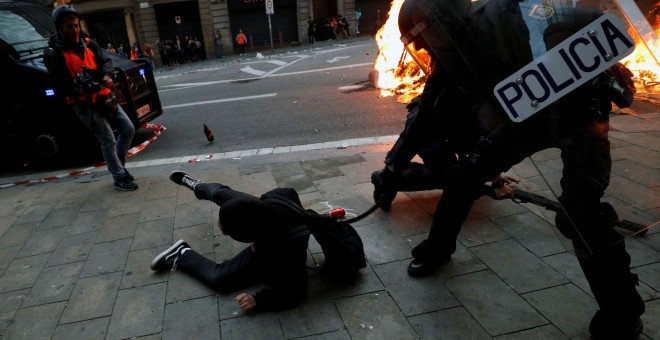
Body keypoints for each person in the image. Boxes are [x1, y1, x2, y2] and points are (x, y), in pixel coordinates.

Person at [373, 0, 645, 338]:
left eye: (424, 42)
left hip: (580, 117)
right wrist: (393, 165)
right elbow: (426, 109)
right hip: (527, 119)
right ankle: (438, 249)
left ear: (431, 24)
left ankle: (623, 310)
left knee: (581, 211)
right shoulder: (459, 51)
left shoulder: (508, 13)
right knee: (466, 176)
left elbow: (590, 26)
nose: (427, 51)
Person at [151, 171, 310, 312]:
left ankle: (182, 254)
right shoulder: (250, 204)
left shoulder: (288, 253)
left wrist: (259, 301)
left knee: (218, 279)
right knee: (216, 193)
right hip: (263, 219)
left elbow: (296, 294)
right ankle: (197, 186)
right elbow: (290, 192)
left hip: (277, 244)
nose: (220, 228)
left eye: (226, 231)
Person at [46, 5, 137, 190]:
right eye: (69, 26)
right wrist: (78, 89)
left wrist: (107, 76)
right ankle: (119, 177)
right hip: (83, 103)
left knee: (128, 129)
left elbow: (105, 61)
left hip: (104, 95)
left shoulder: (89, 43)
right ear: (60, 28)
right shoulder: (55, 53)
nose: (75, 30)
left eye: (76, 25)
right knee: (108, 139)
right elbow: (61, 83)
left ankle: (119, 166)